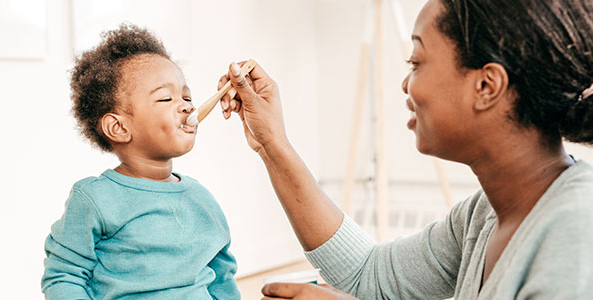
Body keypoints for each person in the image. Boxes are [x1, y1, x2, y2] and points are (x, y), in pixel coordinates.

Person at [218, 0, 593, 299]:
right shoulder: (483, 216)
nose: (405, 84)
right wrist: (272, 143)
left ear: (486, 85)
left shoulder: (577, 229)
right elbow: (369, 274)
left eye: (416, 62)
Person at [41, 24, 239, 300]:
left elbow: (222, 277)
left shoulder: (202, 199)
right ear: (119, 128)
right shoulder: (95, 199)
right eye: (166, 98)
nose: (187, 106)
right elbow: (64, 276)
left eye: (187, 97)